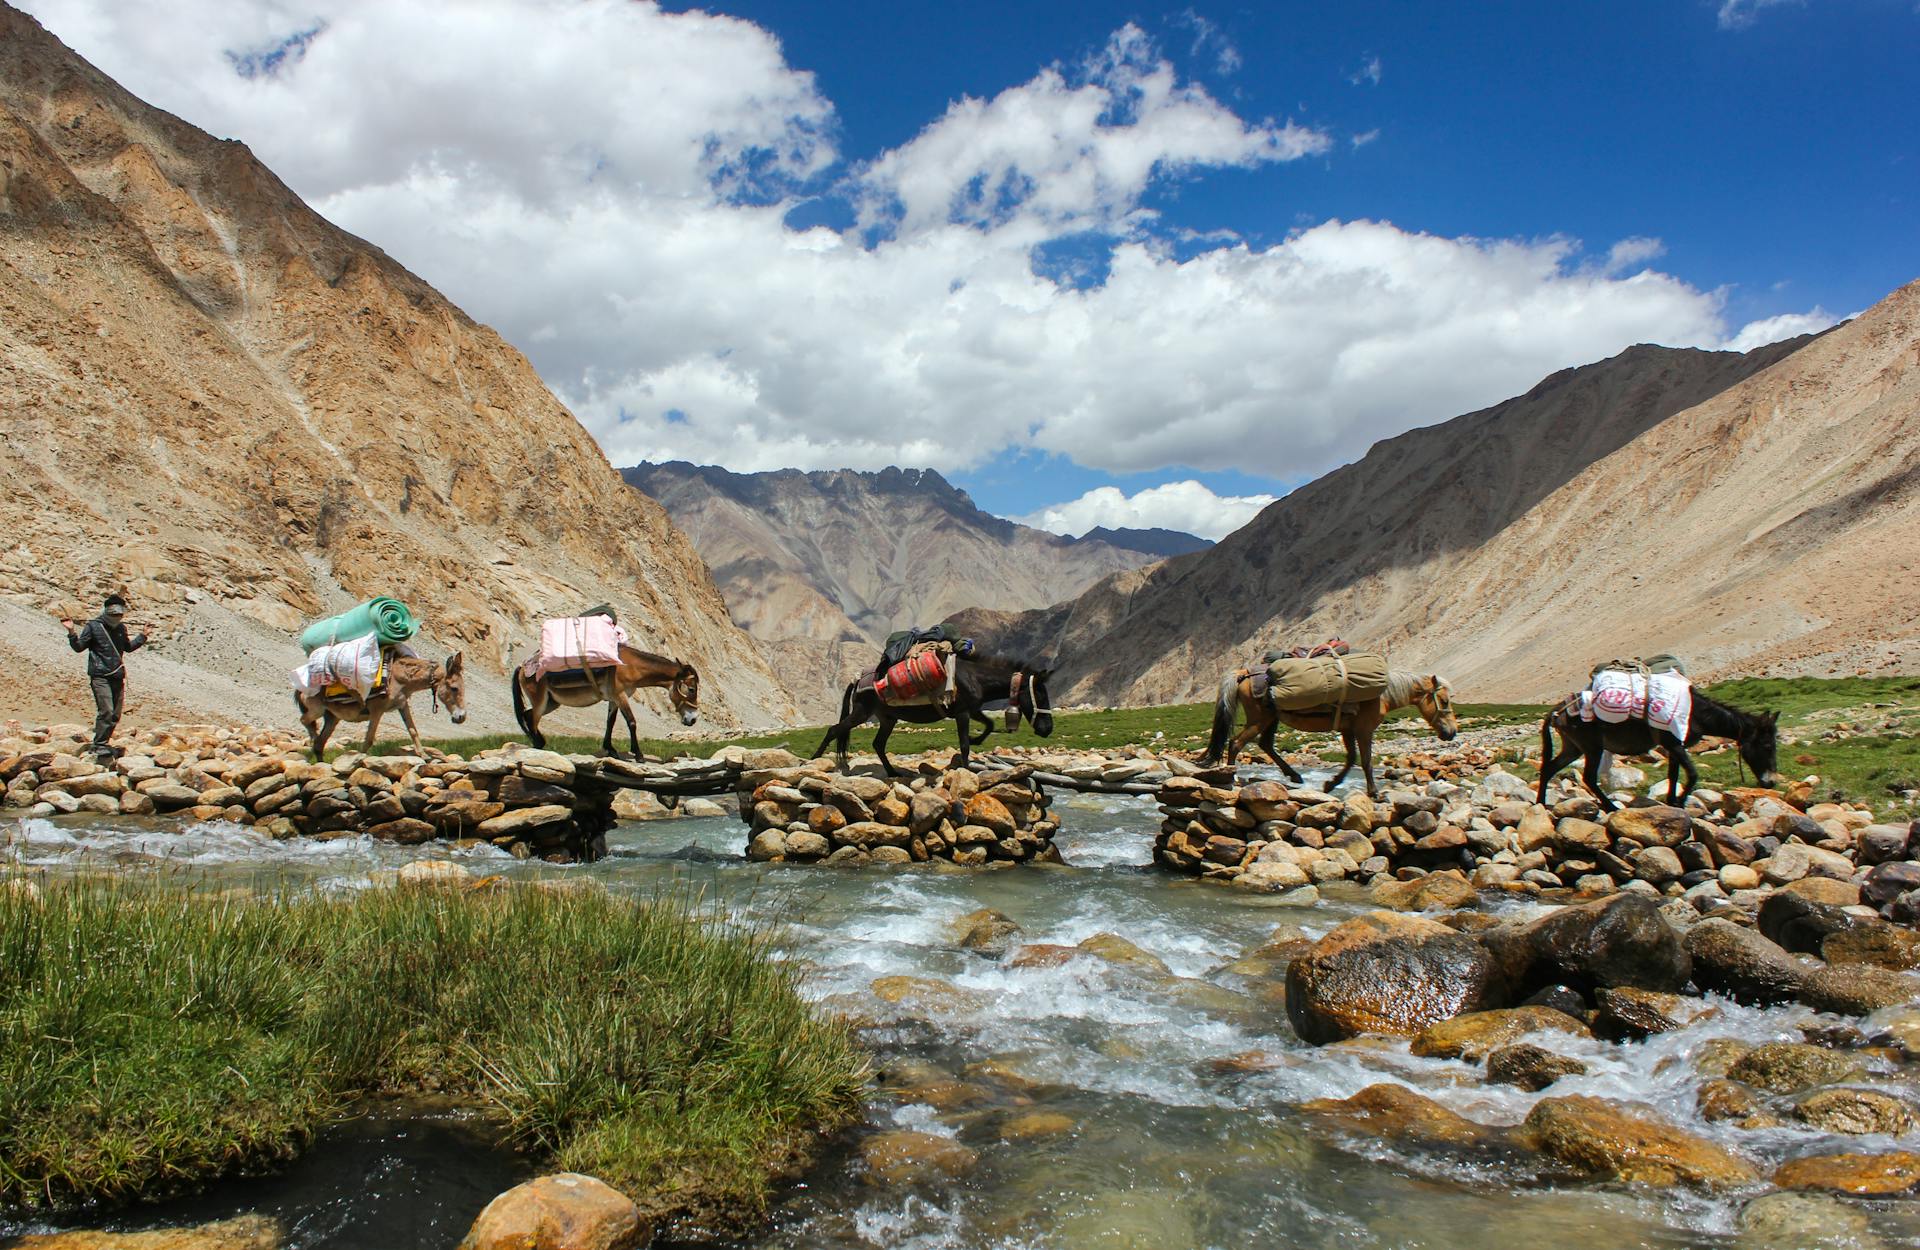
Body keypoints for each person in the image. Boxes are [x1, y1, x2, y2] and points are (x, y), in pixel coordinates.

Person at [63, 595, 147, 759]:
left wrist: (143, 636)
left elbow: (127, 647)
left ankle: (104, 742)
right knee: (106, 710)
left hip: (117, 675)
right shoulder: (93, 626)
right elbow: (79, 647)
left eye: (119, 614)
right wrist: (72, 632)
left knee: (115, 713)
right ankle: (99, 745)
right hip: (100, 675)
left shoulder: (121, 628)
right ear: (107, 611)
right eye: (114, 614)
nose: (117, 617)